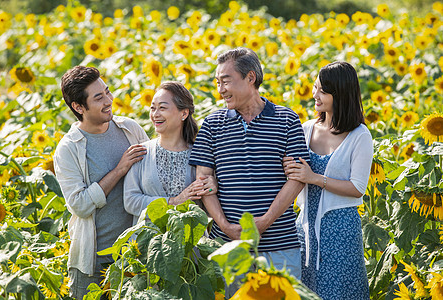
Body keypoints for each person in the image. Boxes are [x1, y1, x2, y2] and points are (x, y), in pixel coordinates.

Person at [189, 47, 310, 288]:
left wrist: (265, 221)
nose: (220, 89)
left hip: (279, 245)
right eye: (217, 82)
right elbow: (203, 181)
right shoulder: (213, 124)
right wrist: (225, 226)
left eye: (226, 81)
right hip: (228, 247)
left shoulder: (287, 119)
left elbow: (297, 179)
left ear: (250, 78)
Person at [53, 66, 149, 299]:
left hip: (134, 256)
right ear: (78, 107)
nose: (109, 100)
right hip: (93, 263)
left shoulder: (129, 129)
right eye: (99, 97)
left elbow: (153, 173)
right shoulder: (68, 149)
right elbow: (80, 205)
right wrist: (119, 170)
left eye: (107, 92)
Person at [283, 61, 372, 299]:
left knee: (339, 292)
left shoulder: (360, 136)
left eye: (323, 91)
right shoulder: (306, 129)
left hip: (341, 230)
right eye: (315, 88)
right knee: (304, 292)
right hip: (305, 227)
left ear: (340, 93)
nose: (315, 95)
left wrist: (314, 178)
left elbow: (357, 188)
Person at [124, 81, 216, 224]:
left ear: (184, 113)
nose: (155, 114)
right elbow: (130, 201)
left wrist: (212, 188)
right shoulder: (141, 152)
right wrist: (174, 201)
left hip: (188, 242)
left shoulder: (200, 155)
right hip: (149, 243)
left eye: (162, 108)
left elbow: (209, 210)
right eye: (152, 108)